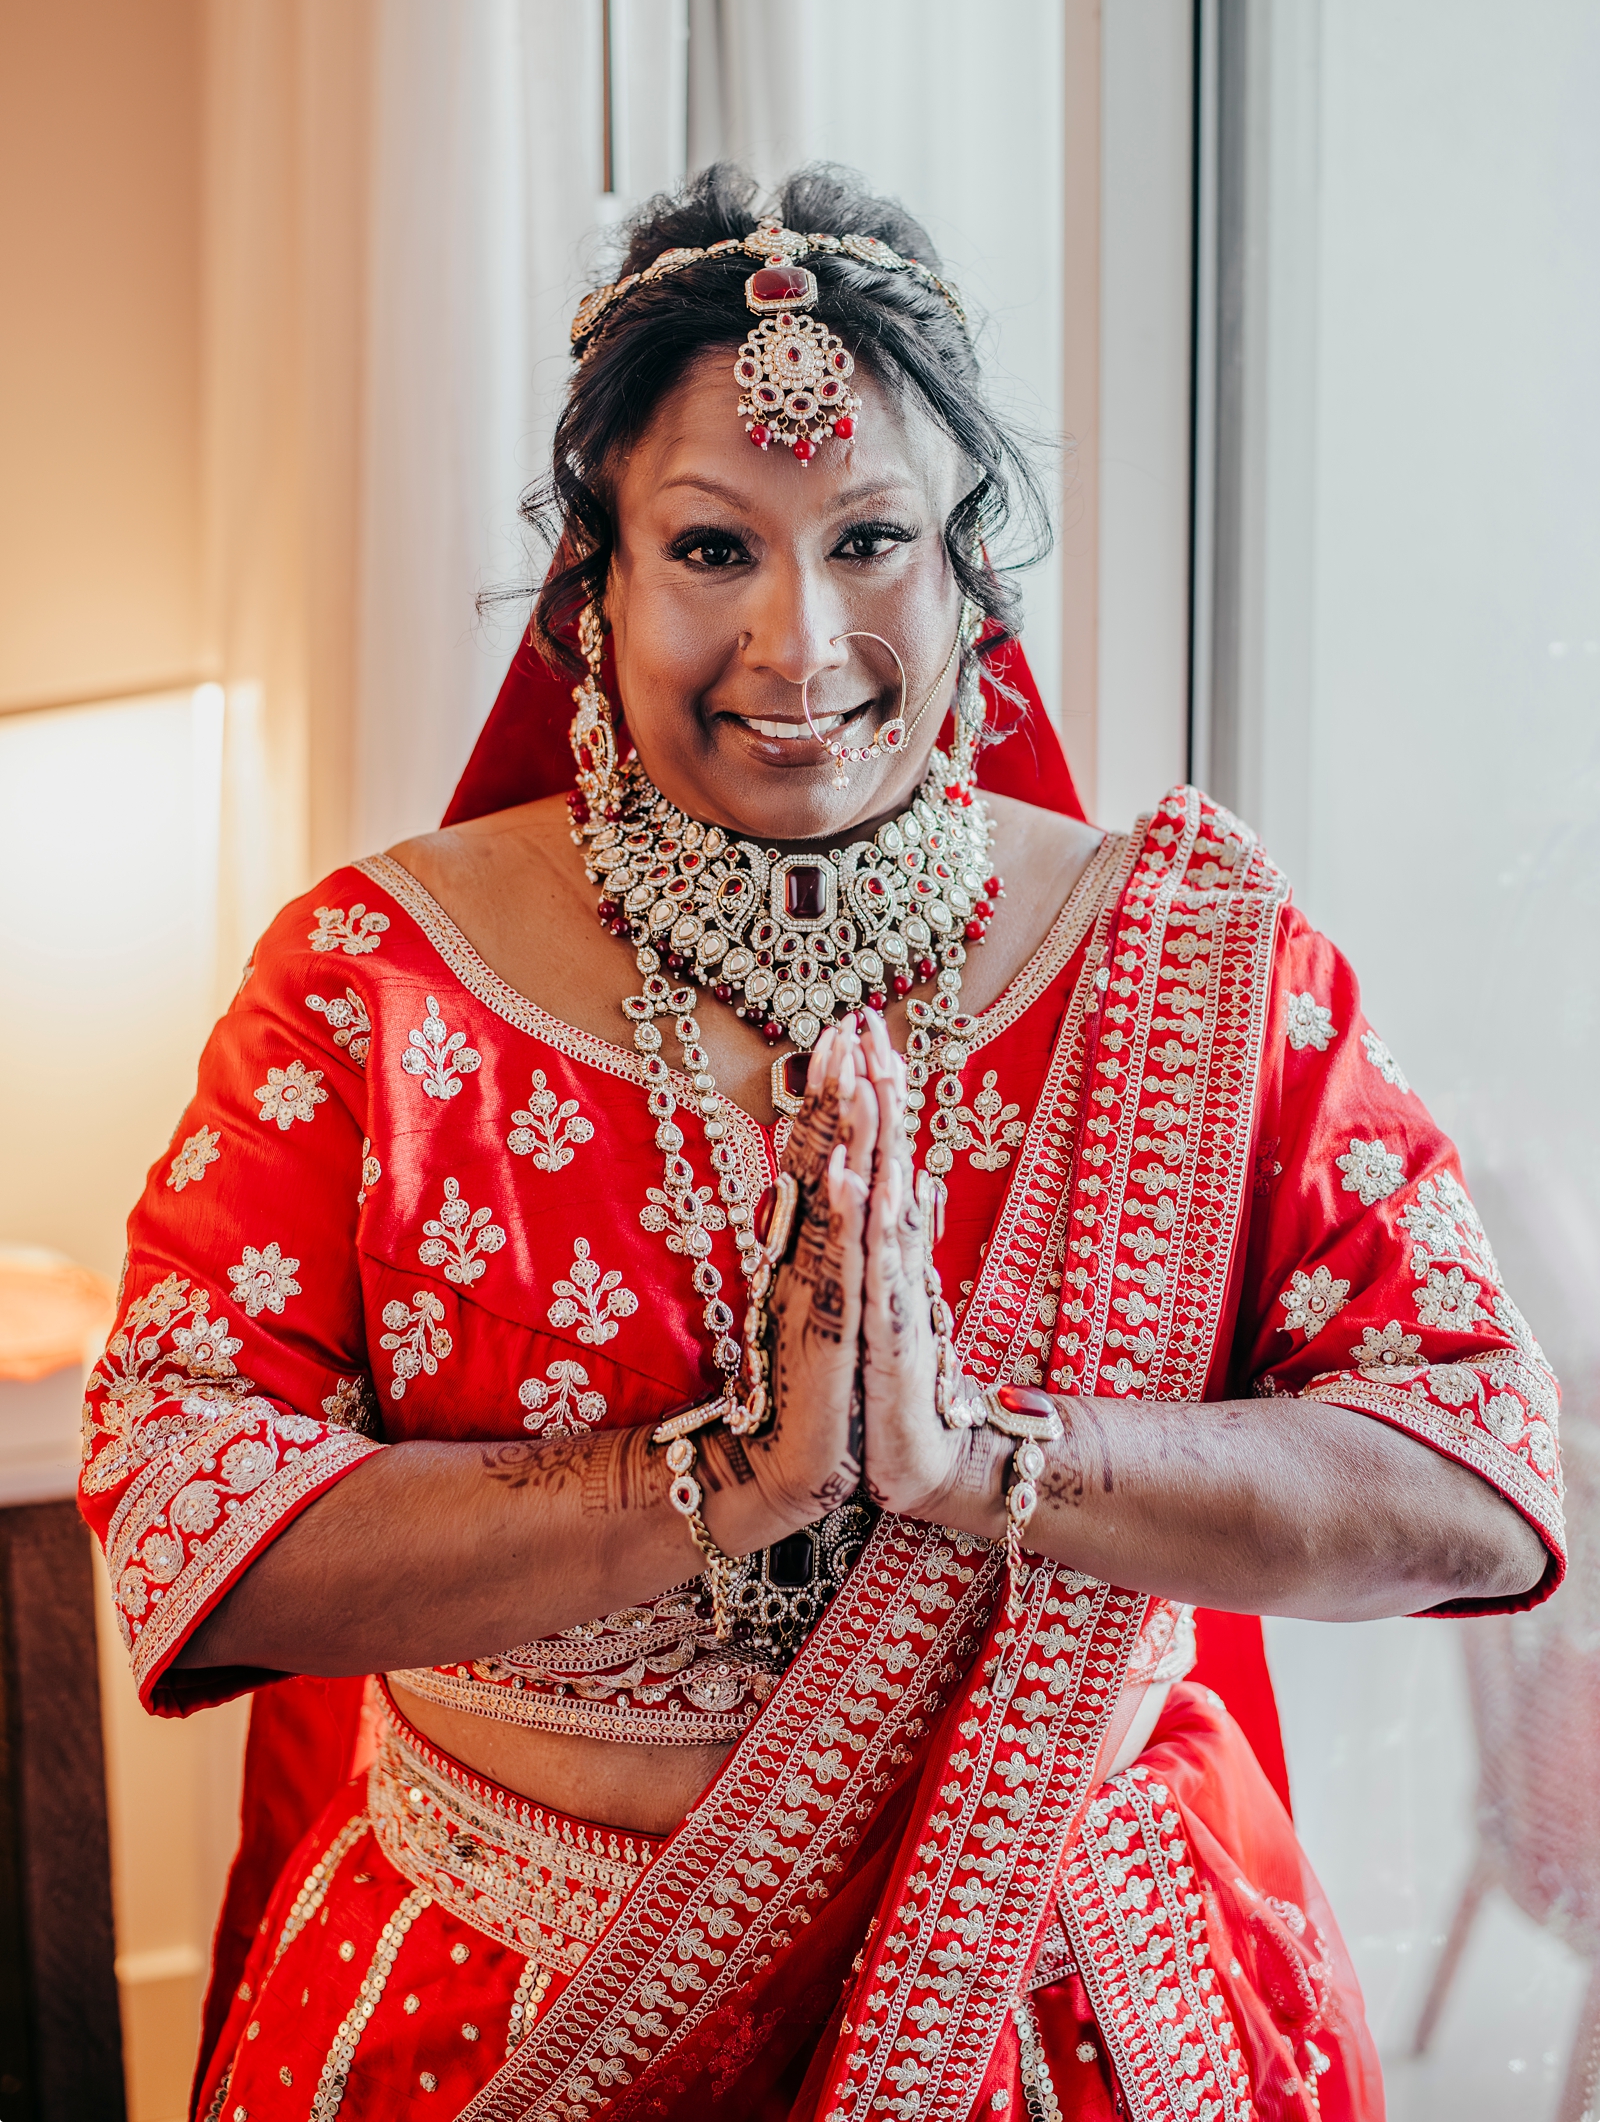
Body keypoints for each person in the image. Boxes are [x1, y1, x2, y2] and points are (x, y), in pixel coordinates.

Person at [80, 167, 1562, 2122]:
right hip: (515, 2002)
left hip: (1081, 1998)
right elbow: (181, 1508)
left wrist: (986, 1460)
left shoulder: (1184, 972)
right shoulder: (377, 991)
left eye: (871, 537)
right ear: (585, 579)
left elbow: (1472, 1469)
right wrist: (711, 1482)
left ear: (967, 571)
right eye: (712, 546)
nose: (801, 642)